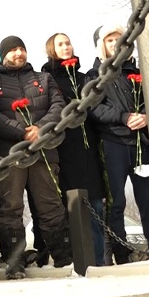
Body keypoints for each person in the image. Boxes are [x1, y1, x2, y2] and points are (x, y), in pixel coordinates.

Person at [0, 36, 71, 280]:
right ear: (3, 55)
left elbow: (58, 106)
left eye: (21, 49)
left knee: (50, 205)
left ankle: (63, 259)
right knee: (10, 208)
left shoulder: (44, 79)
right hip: (10, 155)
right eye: (13, 50)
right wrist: (21, 131)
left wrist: (39, 128)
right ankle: (15, 262)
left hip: (44, 151)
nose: (18, 53)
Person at [87, 24, 149, 264]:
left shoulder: (141, 72)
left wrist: (147, 116)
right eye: (110, 40)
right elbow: (94, 108)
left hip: (141, 143)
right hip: (113, 143)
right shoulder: (95, 77)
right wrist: (123, 117)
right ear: (103, 45)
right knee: (116, 201)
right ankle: (121, 253)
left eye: (119, 39)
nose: (115, 44)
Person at [42, 32, 107, 266]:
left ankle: (99, 260)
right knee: (72, 208)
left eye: (68, 42)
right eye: (60, 44)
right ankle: (79, 260)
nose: (66, 47)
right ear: (52, 49)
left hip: (89, 148)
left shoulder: (83, 78)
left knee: (97, 206)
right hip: (65, 148)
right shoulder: (47, 79)